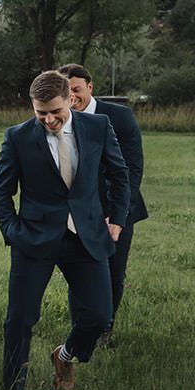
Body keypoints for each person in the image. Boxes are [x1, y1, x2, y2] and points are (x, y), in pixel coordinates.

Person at [0, 70, 130, 390]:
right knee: (20, 320)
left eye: (56, 111)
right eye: (41, 113)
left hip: (86, 235)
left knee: (99, 316)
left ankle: (65, 356)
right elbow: (1, 193)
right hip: (34, 239)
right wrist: (13, 231)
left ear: (71, 99)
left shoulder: (97, 127)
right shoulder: (18, 137)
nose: (50, 119)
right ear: (33, 106)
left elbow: (119, 174)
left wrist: (117, 219)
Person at [60, 63, 147, 348]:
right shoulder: (58, 118)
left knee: (113, 271)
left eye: (76, 89)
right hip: (77, 212)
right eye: (66, 91)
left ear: (90, 87)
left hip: (117, 209)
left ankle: (106, 328)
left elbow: (133, 167)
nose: (71, 96)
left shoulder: (119, 116)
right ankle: (81, 326)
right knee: (79, 269)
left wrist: (118, 214)